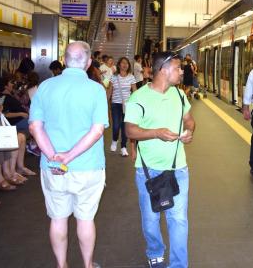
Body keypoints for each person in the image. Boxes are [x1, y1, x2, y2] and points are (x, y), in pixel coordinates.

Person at [29, 41, 109, 268]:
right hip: (88, 166)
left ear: (64, 60)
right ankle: (87, 264)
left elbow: (35, 127)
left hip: (53, 167)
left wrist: (55, 156)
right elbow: (97, 130)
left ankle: (62, 265)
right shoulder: (96, 90)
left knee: (58, 219)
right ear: (89, 62)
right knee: (85, 220)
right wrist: (70, 155)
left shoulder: (45, 87)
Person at [125, 51, 195, 268]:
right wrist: (156, 133)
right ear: (163, 70)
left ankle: (178, 265)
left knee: (179, 220)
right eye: (177, 68)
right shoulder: (138, 98)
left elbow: (189, 120)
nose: (181, 71)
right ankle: (155, 250)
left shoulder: (180, 95)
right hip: (149, 171)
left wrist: (189, 131)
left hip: (178, 169)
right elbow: (130, 131)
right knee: (151, 219)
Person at [107, 57, 137, 157]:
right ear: (119, 65)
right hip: (115, 104)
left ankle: (123, 147)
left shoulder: (131, 77)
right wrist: (105, 101)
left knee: (125, 127)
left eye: (127, 63)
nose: (125, 65)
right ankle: (114, 140)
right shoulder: (114, 77)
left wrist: (135, 103)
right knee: (116, 125)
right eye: (123, 63)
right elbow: (110, 90)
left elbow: (134, 91)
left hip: (127, 105)